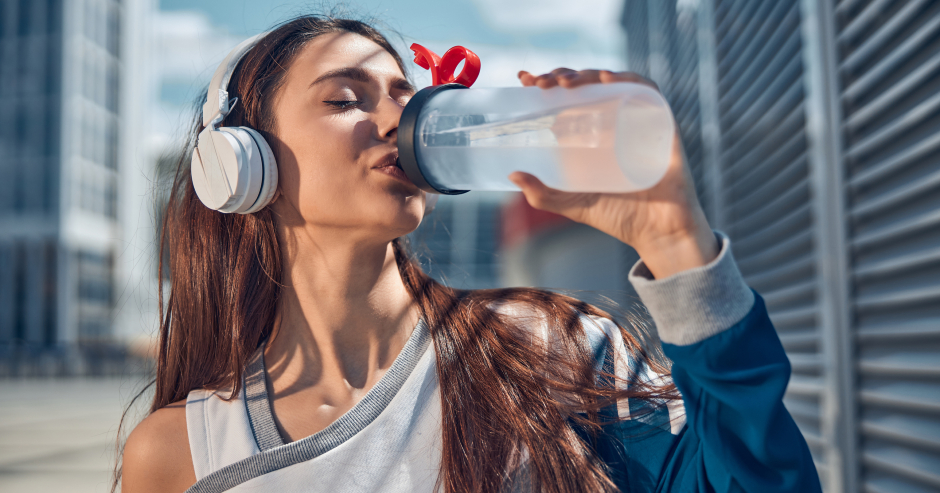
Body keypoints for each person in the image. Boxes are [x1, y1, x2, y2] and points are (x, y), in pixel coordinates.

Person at [120, 15, 822, 493]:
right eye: (345, 99)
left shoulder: (553, 350)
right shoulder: (181, 453)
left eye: (406, 93)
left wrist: (677, 246)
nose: (400, 119)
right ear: (243, 167)